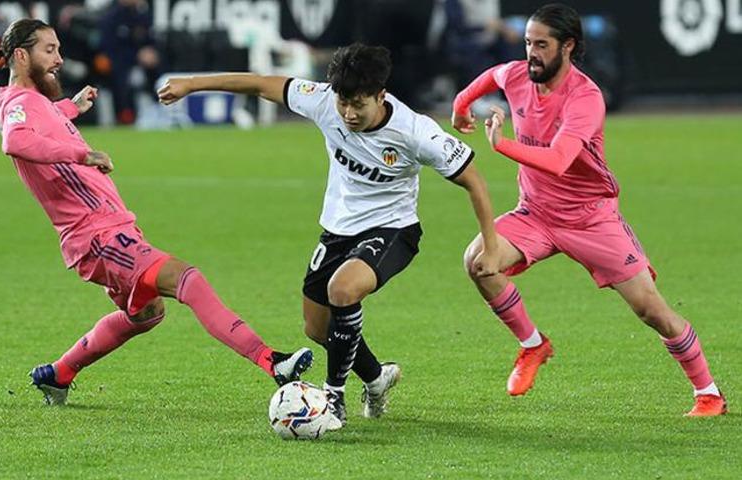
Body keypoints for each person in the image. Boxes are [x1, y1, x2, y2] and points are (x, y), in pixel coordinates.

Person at [158, 43, 502, 429]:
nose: (349, 114)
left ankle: (332, 399)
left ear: (380, 96)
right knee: (318, 327)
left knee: (343, 290)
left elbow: (474, 180)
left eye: (359, 104)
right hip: (338, 230)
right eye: (343, 103)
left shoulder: (415, 132)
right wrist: (191, 83)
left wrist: (490, 246)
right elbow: (258, 84)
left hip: (393, 229)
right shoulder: (322, 101)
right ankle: (376, 377)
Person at [0, 19, 313, 406]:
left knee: (146, 314)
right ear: (21, 56)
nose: (59, 59)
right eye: (49, 50)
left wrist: (69, 108)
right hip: (96, 237)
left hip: (110, 228)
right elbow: (16, 140)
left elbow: (42, 122)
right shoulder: (19, 105)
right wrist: (83, 153)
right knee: (187, 279)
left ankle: (59, 374)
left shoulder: (36, 103)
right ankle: (272, 361)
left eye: (58, 49)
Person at [451, 3, 726, 416]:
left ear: (568, 46)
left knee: (652, 311)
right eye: (528, 42)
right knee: (477, 261)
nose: (531, 53)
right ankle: (533, 345)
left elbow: (561, 159)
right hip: (536, 214)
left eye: (542, 45)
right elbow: (492, 76)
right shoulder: (517, 75)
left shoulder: (585, 97)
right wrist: (460, 105)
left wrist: (501, 145)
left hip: (591, 219)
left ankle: (708, 393)